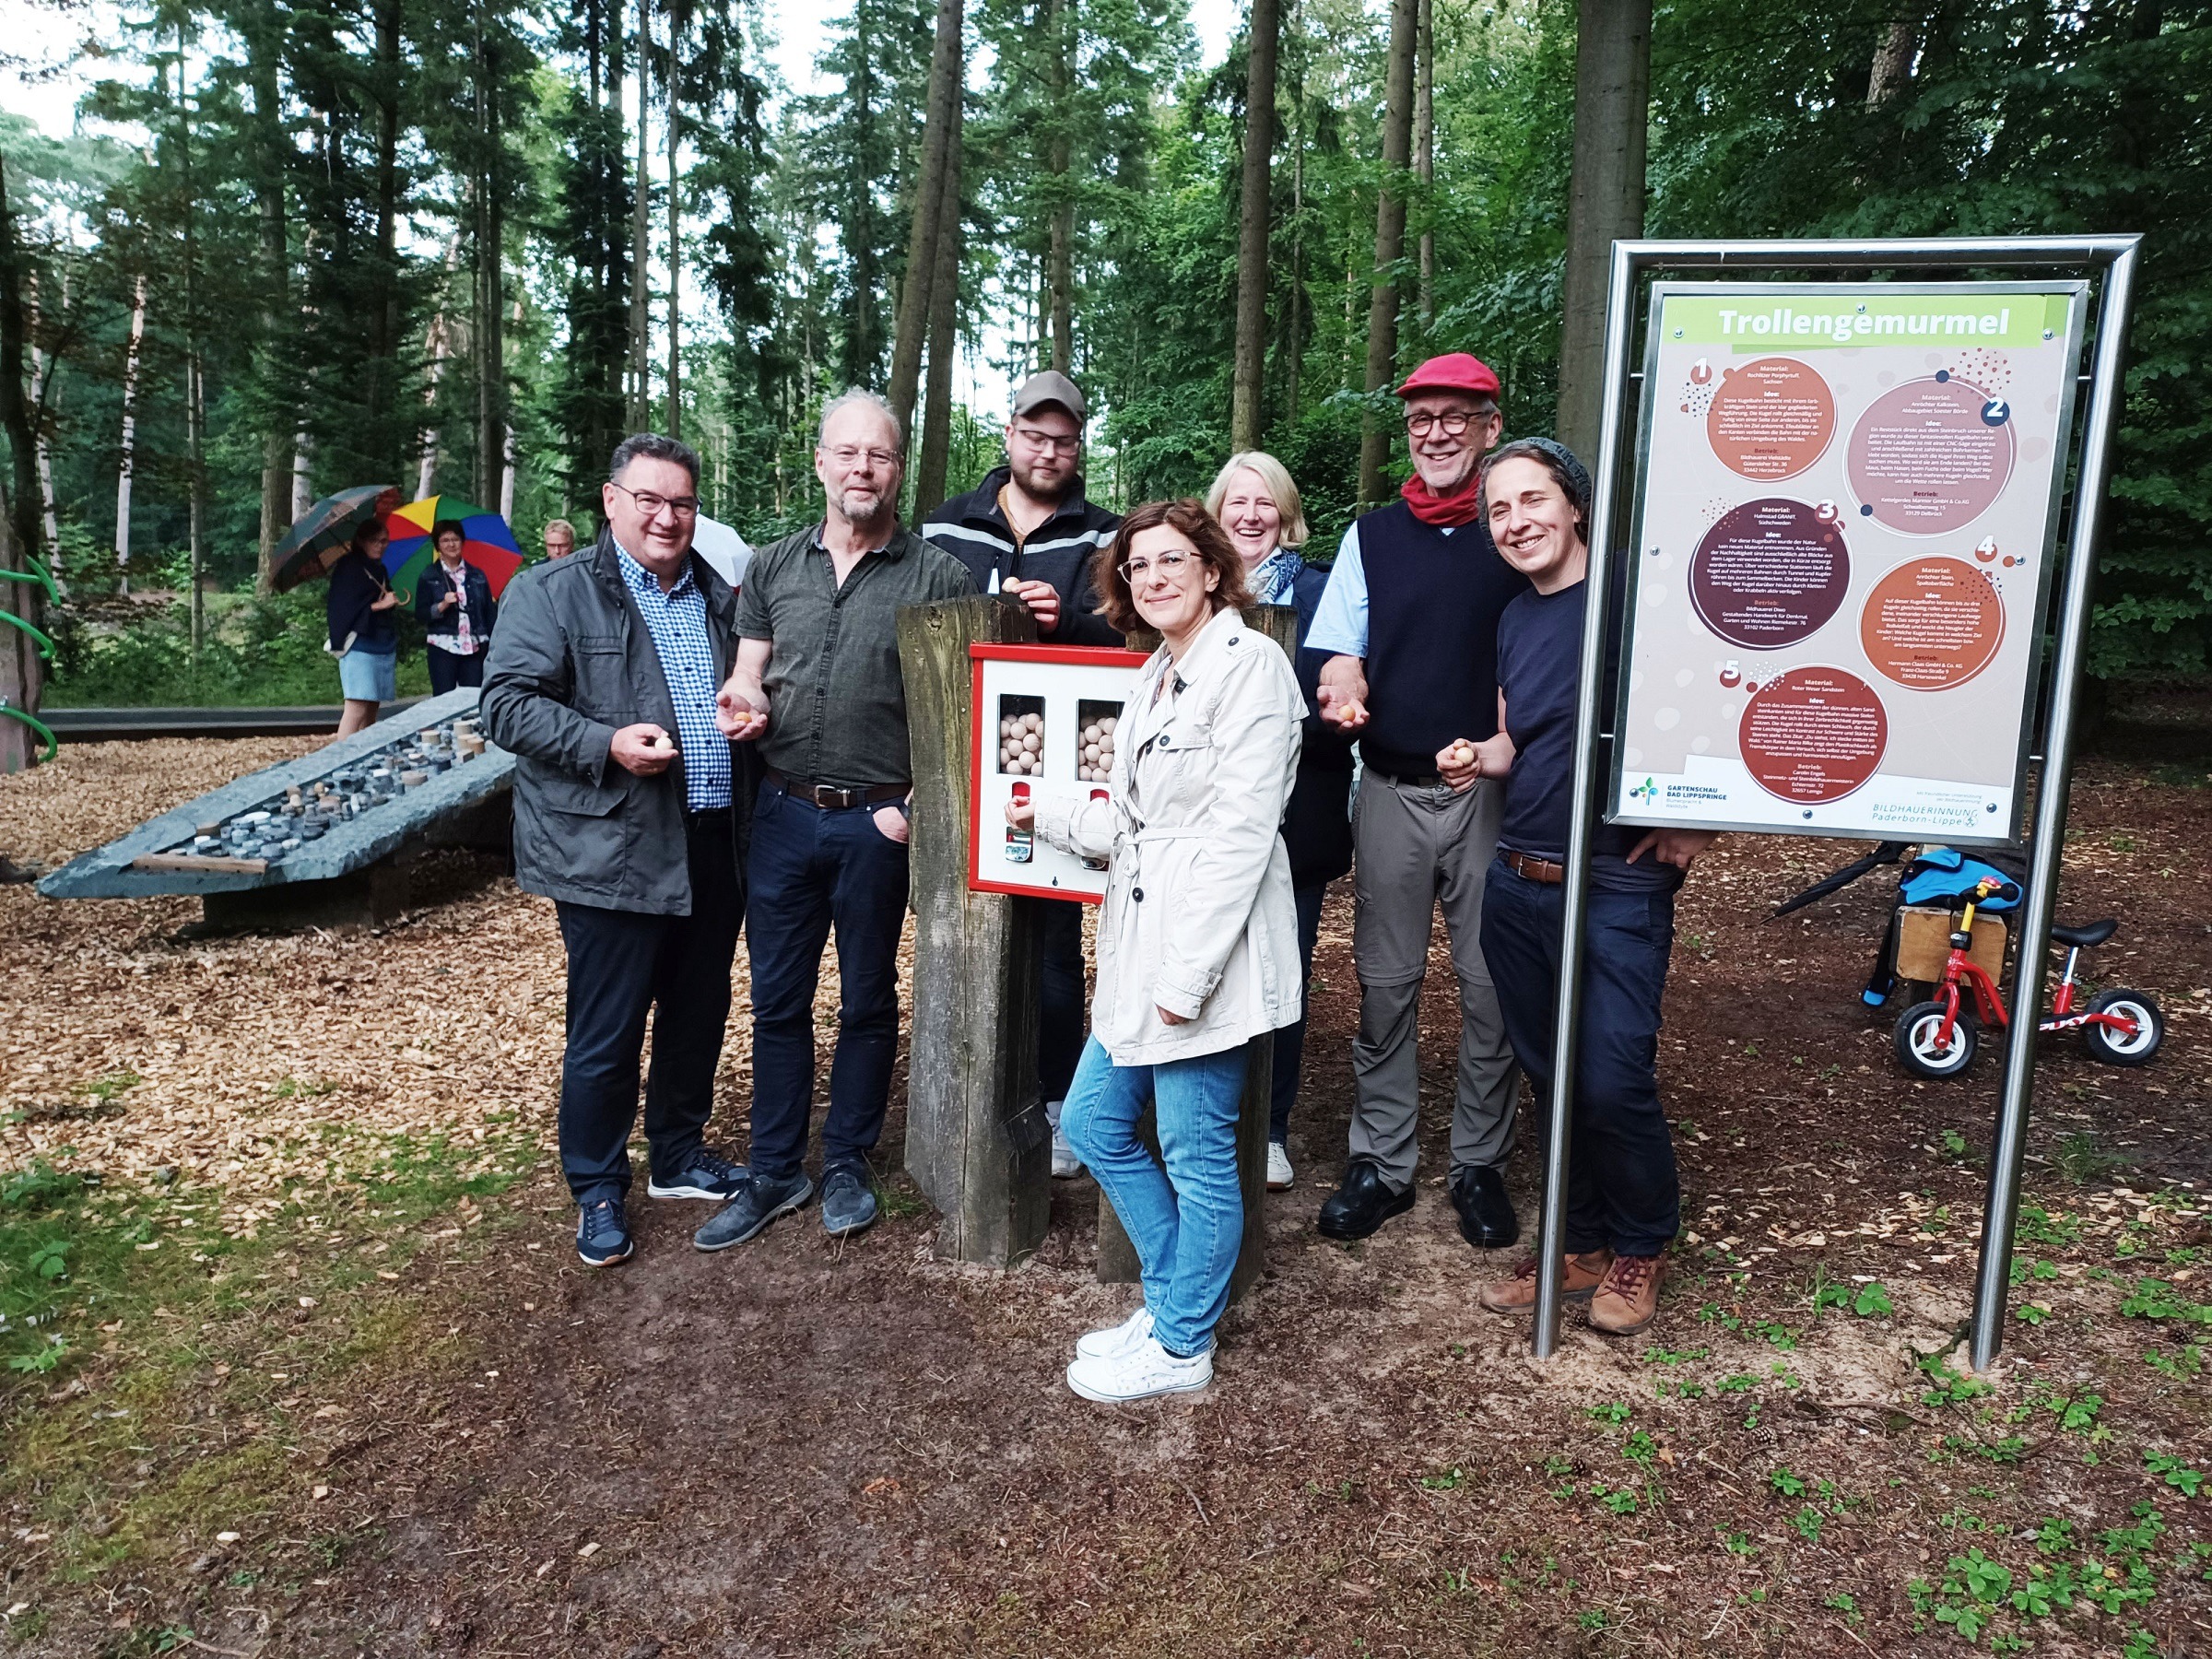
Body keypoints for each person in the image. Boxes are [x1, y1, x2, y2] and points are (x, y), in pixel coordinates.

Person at [1009, 500, 1304, 1403]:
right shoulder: (1156, 675)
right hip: (1140, 947)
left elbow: (1238, 840)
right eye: (1138, 566)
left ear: (1213, 569)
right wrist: (1047, 811)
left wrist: (1188, 980)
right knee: (1096, 1123)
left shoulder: (1249, 670)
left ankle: (1181, 1346)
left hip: (1200, 958)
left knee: (1198, 1152)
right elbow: (1138, 822)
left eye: (1173, 559)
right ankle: (1179, 1300)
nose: (1155, 577)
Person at [1446, 438, 1715, 1335]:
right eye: (1499, 511)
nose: (1517, 522)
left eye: (1532, 501)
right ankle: (1586, 1237)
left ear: (1576, 506)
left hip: (1616, 882)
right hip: (1521, 878)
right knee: (1552, 1077)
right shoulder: (1516, 618)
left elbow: (1724, 703)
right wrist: (1475, 758)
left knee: (1610, 1079)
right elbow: (1514, 741)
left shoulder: (1642, 603)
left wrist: (1698, 812)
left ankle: (1643, 1239)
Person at [700, 389, 976, 1251]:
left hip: (875, 825)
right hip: (781, 814)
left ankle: (848, 1159)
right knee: (778, 1000)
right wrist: (740, 699)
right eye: (848, 453)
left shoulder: (940, 579)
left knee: (866, 999)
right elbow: (751, 671)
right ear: (820, 462)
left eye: (881, 455)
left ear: (899, 468)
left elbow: (965, 714)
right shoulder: (774, 569)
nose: (863, 469)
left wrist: (911, 812)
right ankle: (775, 1168)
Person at [479, 432, 760, 1268]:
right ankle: (598, 1184)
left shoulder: (719, 597)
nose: (667, 517)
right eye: (649, 500)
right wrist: (605, 743)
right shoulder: (553, 593)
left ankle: (676, 1155)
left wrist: (752, 715)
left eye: (681, 502)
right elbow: (506, 707)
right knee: (606, 1028)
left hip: (714, 840)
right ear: (612, 502)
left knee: (697, 1010)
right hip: (611, 850)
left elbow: (745, 687)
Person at [1305, 352, 1529, 1251]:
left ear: (1489, 427)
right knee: (1386, 984)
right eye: (1419, 419)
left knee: (1489, 986)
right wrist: (1343, 685)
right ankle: (1383, 1163)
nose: (1434, 432)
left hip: (1489, 797)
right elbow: (1341, 649)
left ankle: (1478, 1162)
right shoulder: (1373, 535)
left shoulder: (1514, 532)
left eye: (1453, 416)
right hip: (1392, 789)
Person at [924, 370, 1123, 1182]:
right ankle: (967, 1095)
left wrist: (1065, 619)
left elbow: (1128, 635)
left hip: (1064, 776)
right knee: (959, 936)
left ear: (1079, 447)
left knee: (1052, 948)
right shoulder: (945, 526)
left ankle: (1056, 1101)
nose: (1048, 450)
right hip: (958, 766)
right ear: (1008, 436)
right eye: (1034, 435)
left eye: (1063, 439)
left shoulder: (1105, 534)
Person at [1203, 453, 1354, 1193]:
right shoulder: (1195, 591)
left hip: (1297, 823)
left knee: (1278, 973)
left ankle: (1268, 1126)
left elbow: (1343, 707)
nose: (1251, 516)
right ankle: (1205, 1120)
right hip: (1204, 823)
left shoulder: (1325, 594)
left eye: (1265, 503)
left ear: (1285, 514)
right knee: (1205, 967)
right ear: (1218, 512)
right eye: (1238, 503)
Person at [328, 520, 403, 737]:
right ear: (361, 541)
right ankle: (341, 760)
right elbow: (342, 608)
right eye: (374, 541)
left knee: (372, 708)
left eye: (384, 541)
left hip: (382, 642)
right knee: (357, 706)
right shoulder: (348, 567)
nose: (380, 545)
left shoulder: (378, 568)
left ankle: (366, 755)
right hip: (359, 645)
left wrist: (388, 599)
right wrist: (379, 605)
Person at [416, 521, 498, 695]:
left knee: (474, 698)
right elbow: (421, 614)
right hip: (443, 646)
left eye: (455, 539)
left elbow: (489, 613)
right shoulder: (429, 575)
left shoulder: (477, 575)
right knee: (444, 699)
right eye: (445, 540)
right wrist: (442, 605)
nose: (451, 544)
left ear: (462, 541)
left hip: (475, 644)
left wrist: (495, 643)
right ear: (438, 545)